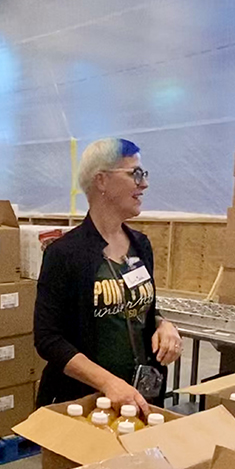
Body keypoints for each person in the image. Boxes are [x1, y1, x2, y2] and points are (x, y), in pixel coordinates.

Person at [34, 138, 183, 412]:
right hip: (85, 403)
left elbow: (141, 308)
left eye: (144, 174)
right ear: (101, 181)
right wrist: (108, 383)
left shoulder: (141, 245)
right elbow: (48, 339)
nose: (144, 184)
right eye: (134, 174)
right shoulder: (65, 254)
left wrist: (163, 324)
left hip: (141, 398)